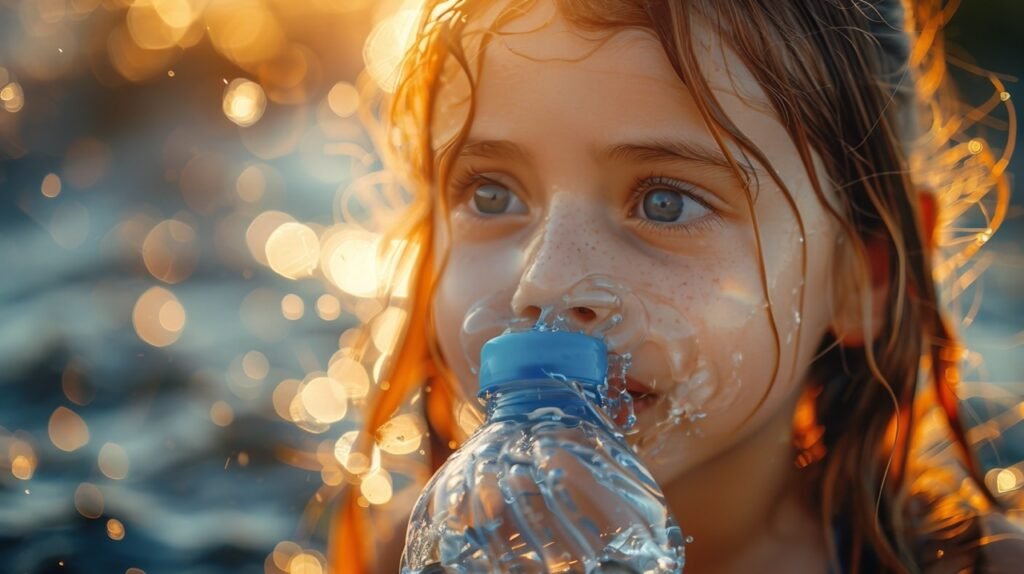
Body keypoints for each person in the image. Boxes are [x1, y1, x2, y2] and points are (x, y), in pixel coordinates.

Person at [328, 0, 1022, 572]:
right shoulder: (413, 553)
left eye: (666, 201)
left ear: (867, 275)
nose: (545, 283)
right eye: (489, 194)